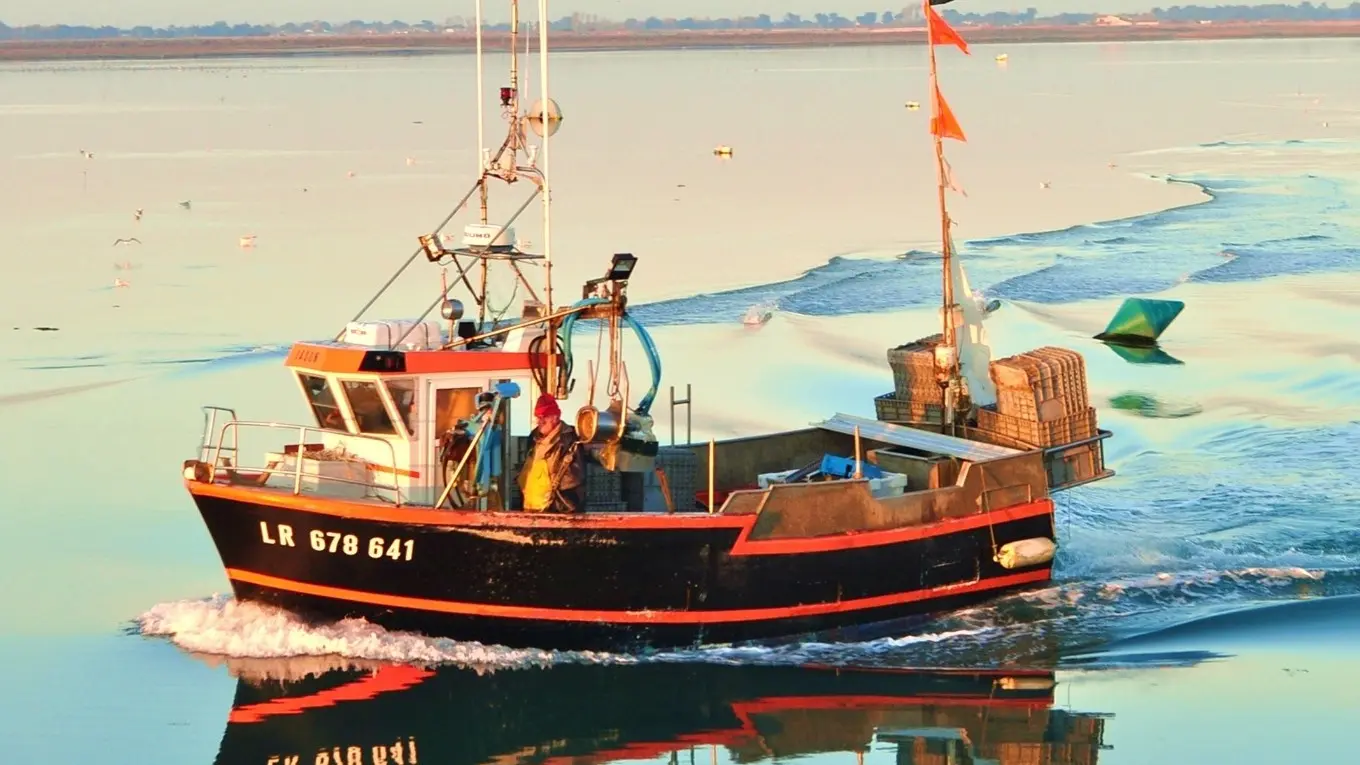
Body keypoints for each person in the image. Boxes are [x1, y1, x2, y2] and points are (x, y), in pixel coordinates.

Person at [517, 393, 586, 513]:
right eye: (538, 417)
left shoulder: (570, 441)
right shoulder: (533, 439)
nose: (540, 421)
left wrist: (562, 513)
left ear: (556, 417)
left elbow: (573, 482)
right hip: (529, 510)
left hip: (555, 514)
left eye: (544, 416)